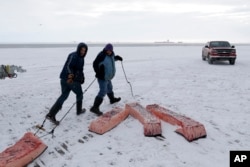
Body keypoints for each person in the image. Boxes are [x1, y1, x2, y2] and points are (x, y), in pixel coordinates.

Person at [46, 42, 88, 125]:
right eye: (81, 50)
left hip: (65, 79)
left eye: (84, 50)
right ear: (78, 49)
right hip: (70, 80)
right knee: (79, 94)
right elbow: (68, 66)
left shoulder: (81, 58)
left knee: (64, 95)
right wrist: (71, 75)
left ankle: (51, 114)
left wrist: (82, 77)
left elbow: (80, 70)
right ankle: (79, 110)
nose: (83, 52)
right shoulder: (74, 55)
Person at [90, 43, 123, 116]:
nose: (109, 51)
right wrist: (98, 72)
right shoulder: (102, 55)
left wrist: (117, 58)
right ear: (105, 49)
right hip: (102, 77)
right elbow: (95, 64)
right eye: (107, 50)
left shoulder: (111, 55)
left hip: (108, 77)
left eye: (110, 50)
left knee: (110, 88)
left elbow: (112, 59)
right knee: (103, 91)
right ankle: (95, 107)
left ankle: (112, 99)